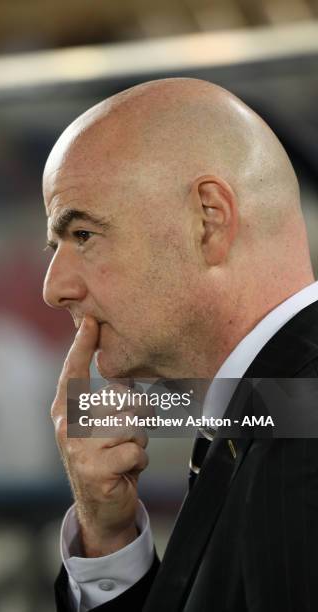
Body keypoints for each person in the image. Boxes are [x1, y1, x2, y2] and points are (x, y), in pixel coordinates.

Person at [42, 78, 318, 611]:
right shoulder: (271, 407)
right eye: (54, 246)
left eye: (83, 235)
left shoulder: (301, 439)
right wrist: (109, 539)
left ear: (209, 220)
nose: (54, 288)